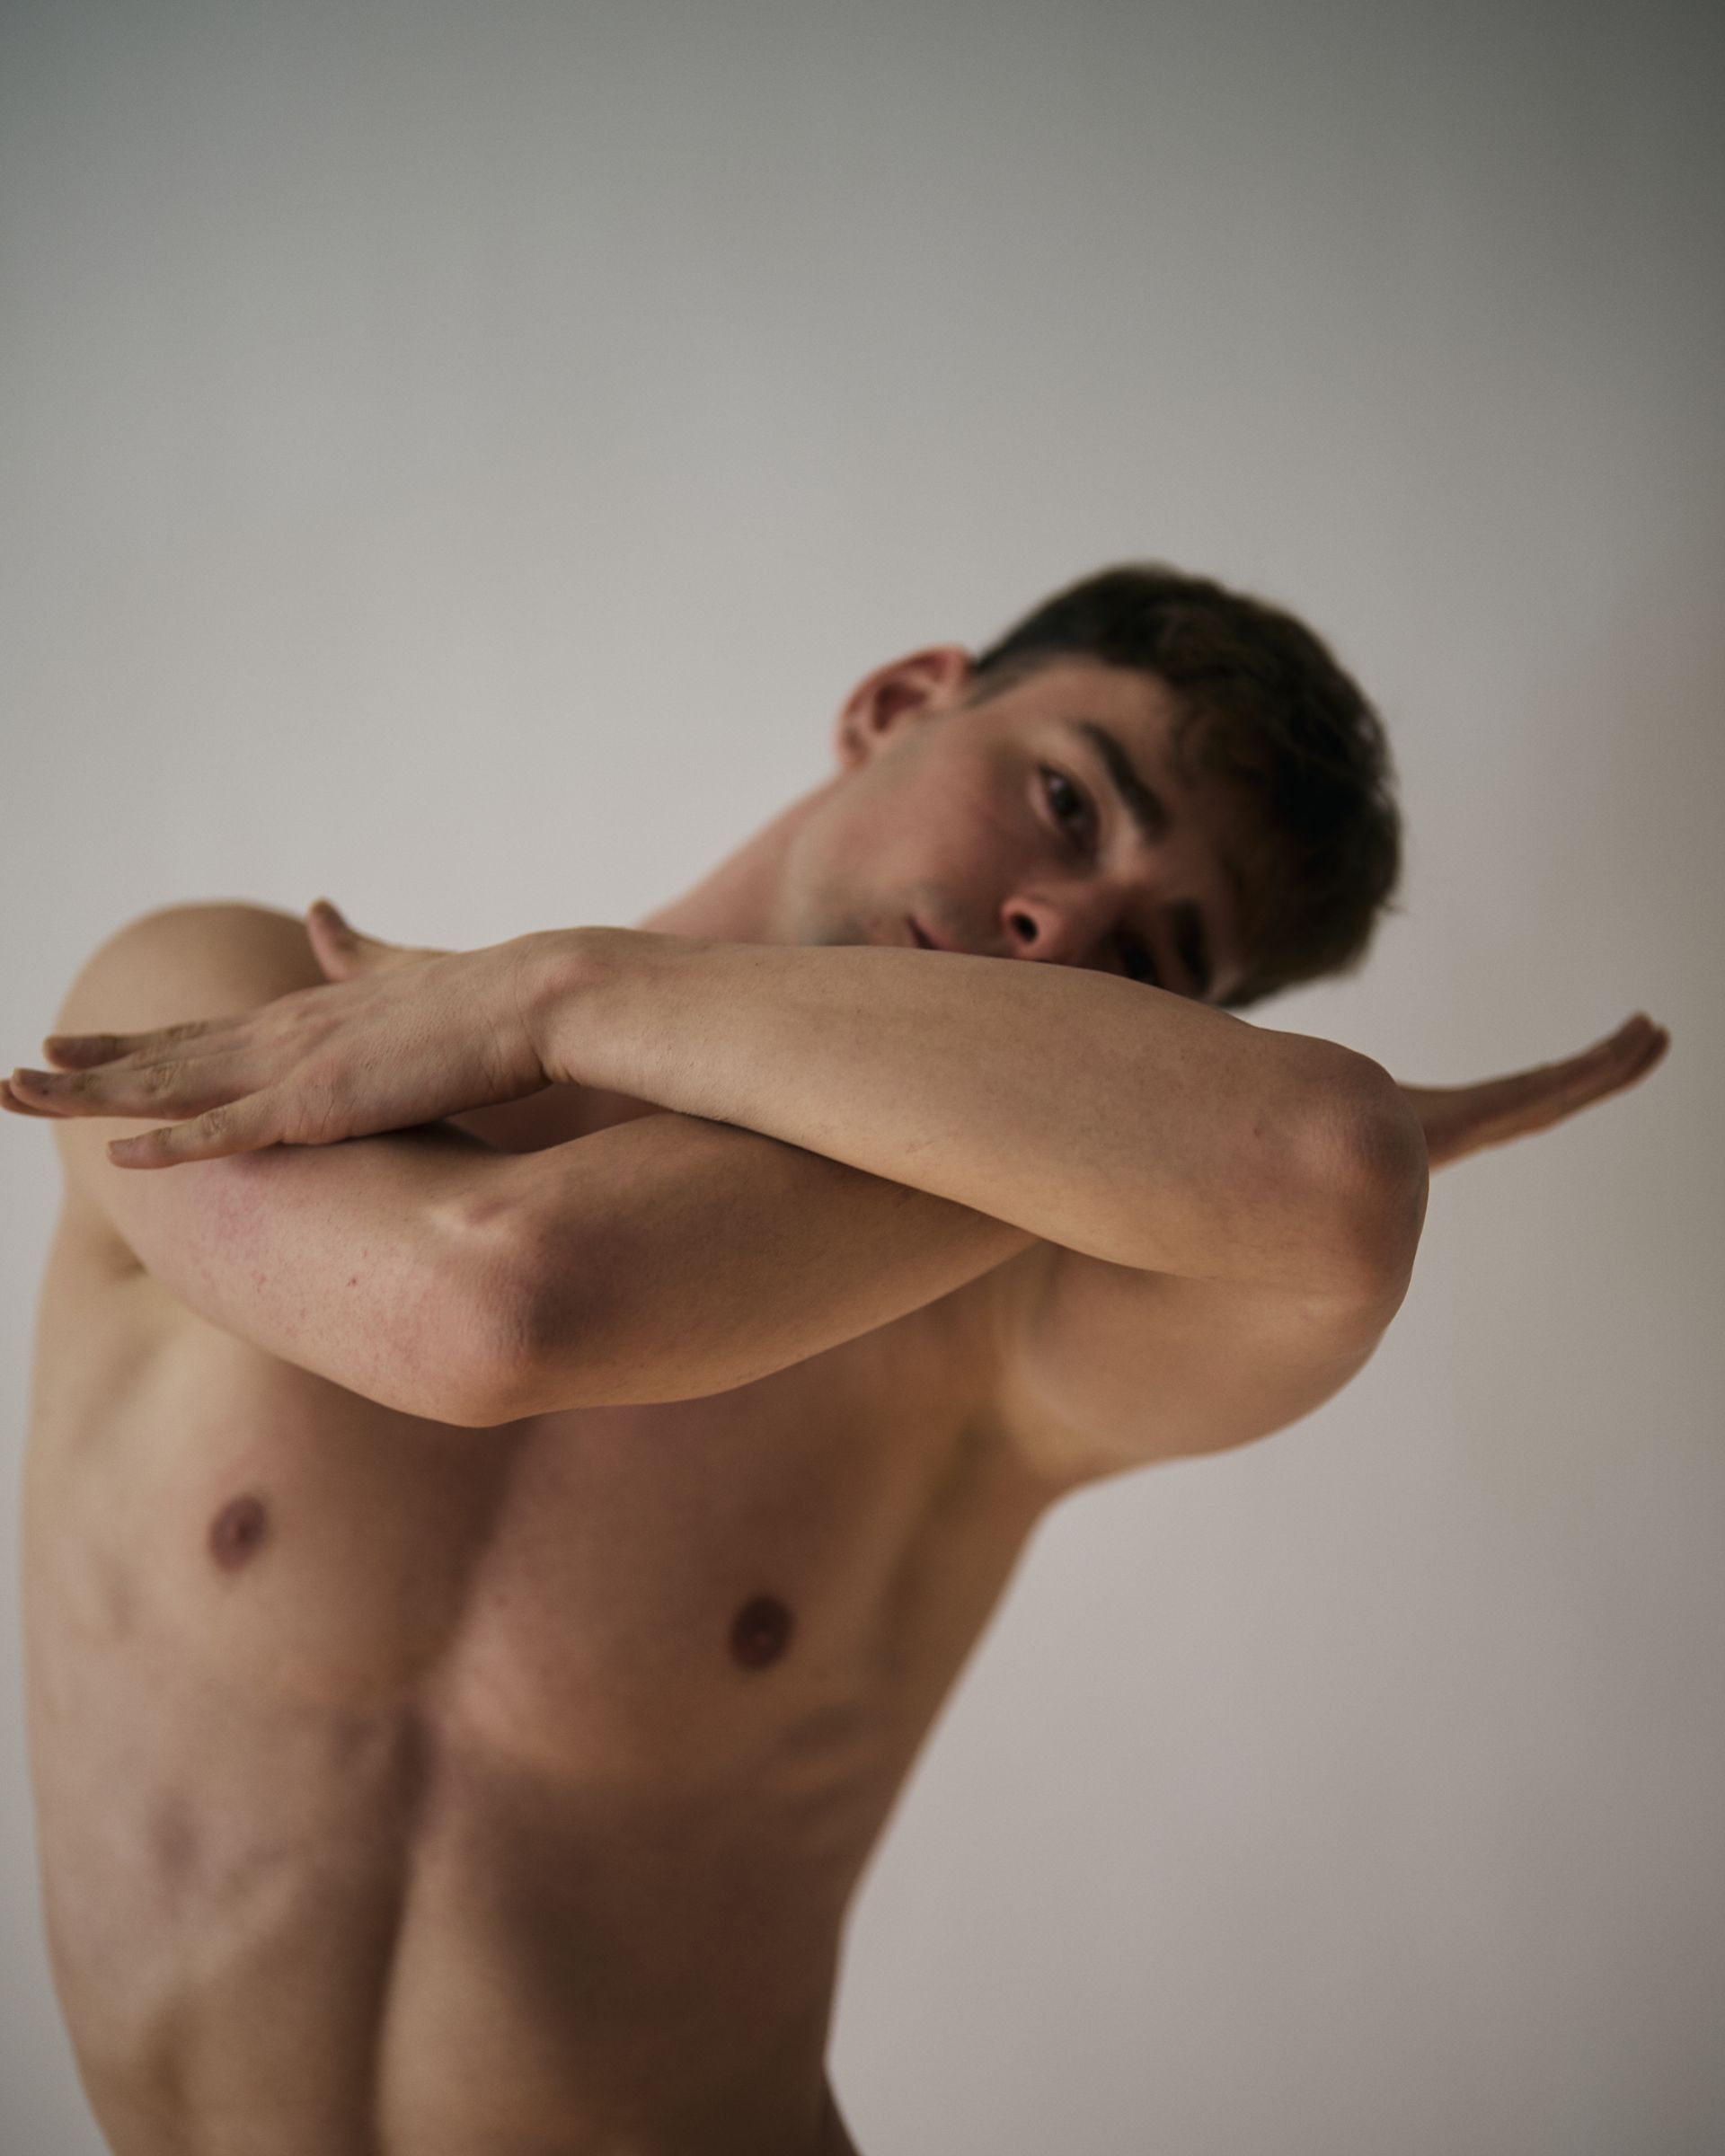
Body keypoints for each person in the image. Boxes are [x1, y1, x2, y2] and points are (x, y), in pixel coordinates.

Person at [4, 564, 1668, 2156]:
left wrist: (566, 993)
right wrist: (1134, 1134)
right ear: (896, 704)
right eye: (1070, 804)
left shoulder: (1017, 1338)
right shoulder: (228, 1000)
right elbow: (489, 1304)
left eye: (1151, 970)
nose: (1059, 924)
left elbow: (1329, 1172)